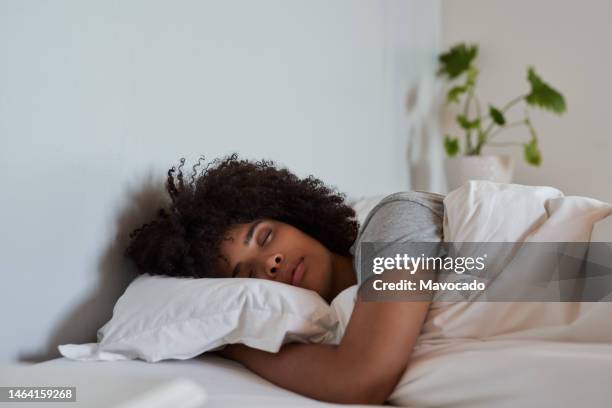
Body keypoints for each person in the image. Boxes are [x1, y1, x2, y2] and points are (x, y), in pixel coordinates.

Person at [124, 153, 444, 405]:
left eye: (265, 237)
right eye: (248, 275)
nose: (270, 263)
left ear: (297, 218)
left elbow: (362, 379)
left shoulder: (393, 221)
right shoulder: (333, 321)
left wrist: (235, 346)